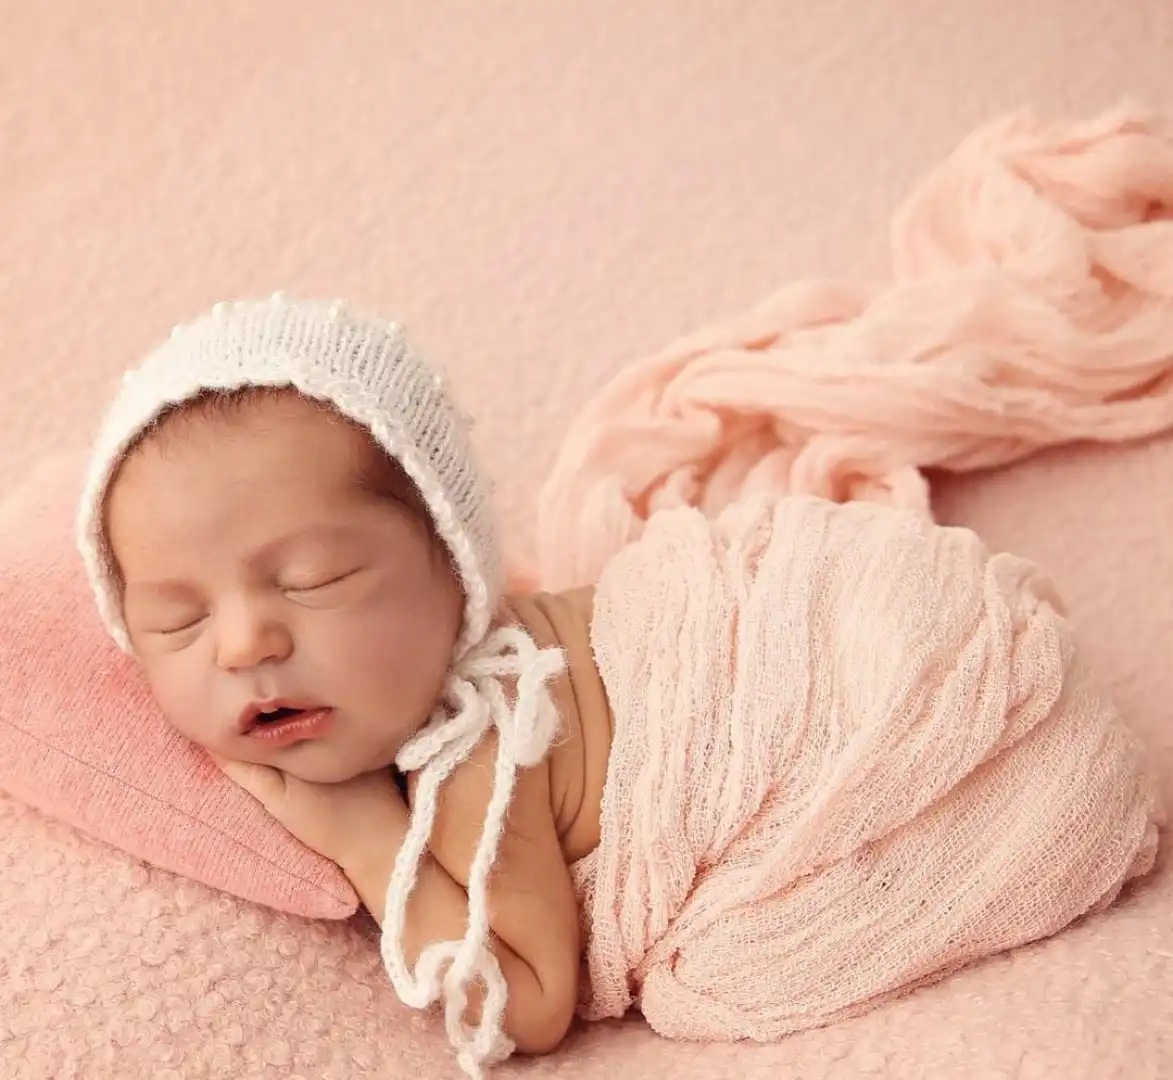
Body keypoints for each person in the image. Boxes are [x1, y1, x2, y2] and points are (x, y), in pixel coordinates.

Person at [76, 295, 1162, 1079]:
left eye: (314, 580)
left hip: (860, 675)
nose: (245, 642)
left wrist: (361, 835)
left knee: (722, 978)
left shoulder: (485, 742)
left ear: (459, 573)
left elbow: (527, 1003)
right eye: (176, 617)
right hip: (885, 618)